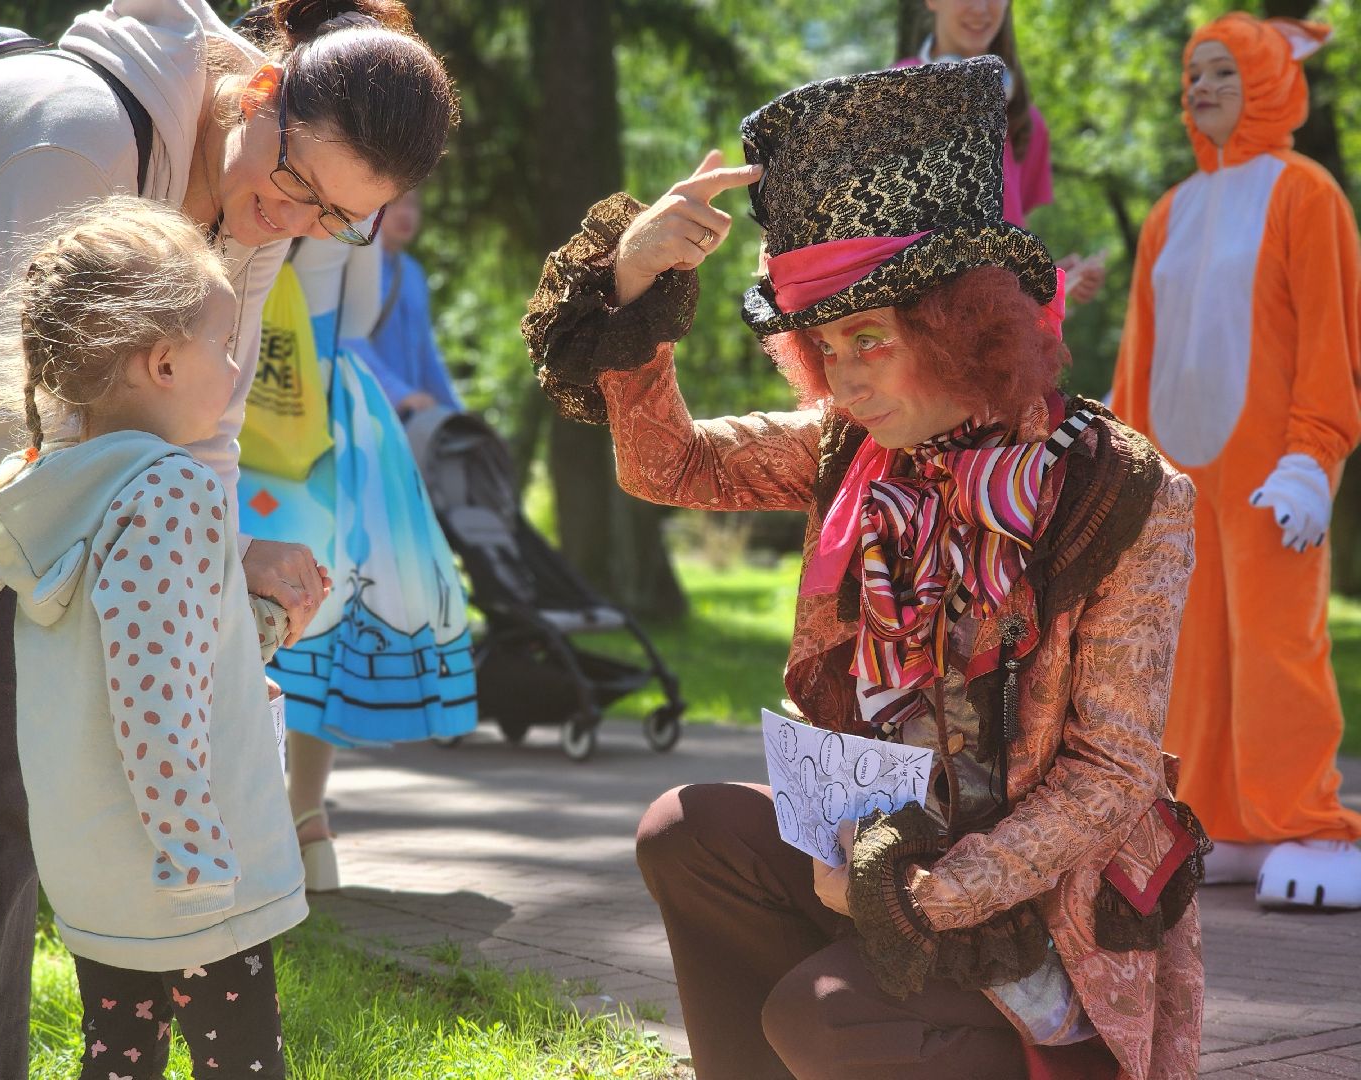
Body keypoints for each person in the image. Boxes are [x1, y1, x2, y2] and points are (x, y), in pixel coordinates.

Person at [523, 59, 1205, 1079]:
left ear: (961, 322)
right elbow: (671, 464)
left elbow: (1109, 778)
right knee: (686, 832)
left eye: (868, 339)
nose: (842, 378)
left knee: (824, 1019)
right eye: (824, 348)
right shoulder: (854, 448)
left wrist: (920, 893)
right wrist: (635, 282)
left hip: (1030, 912)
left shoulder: (1122, 491)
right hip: (877, 852)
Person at [0, 0, 455, 1067]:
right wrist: (179, 545)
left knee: (3, 813)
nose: (299, 219)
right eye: (300, 184)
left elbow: (204, 428)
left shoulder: (260, 202)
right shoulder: (78, 133)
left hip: (9, 494)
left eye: (340, 217)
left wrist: (213, 577)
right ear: (262, 92)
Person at [0, 197, 304, 1080]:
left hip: (99, 863)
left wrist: (252, 634)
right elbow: (152, 697)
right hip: (186, 871)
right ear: (164, 361)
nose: (236, 367)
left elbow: (137, 652)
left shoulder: (67, 489)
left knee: (120, 1061)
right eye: (226, 344)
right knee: (242, 1065)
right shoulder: (170, 491)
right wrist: (197, 852)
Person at [1110, 12, 1361, 907]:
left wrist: (1312, 458)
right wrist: (1122, 466)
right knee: (1188, 656)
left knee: (1275, 646)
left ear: (1267, 80)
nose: (1203, 87)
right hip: (1179, 481)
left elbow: (1331, 337)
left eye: (1223, 70)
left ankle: (1312, 826)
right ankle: (1215, 819)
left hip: (1268, 473)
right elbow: (1139, 357)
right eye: (1194, 74)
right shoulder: (1169, 212)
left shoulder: (1307, 193)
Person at [237, 230, 478, 891]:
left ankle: (234, 816)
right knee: (317, 613)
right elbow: (360, 317)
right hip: (316, 435)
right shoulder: (353, 202)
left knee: (220, 619)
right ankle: (307, 819)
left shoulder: (244, 186)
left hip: (224, 425)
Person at [895, 0, 1105, 304]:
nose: (981, 8)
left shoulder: (1028, 122)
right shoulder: (891, 94)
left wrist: (1047, 280)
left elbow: (1010, 241)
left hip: (998, 320)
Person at [360, 187, 465, 415]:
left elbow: (427, 354)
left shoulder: (413, 273)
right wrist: (399, 394)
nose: (405, 213)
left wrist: (458, 415)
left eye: (412, 204)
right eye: (394, 203)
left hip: (410, 420)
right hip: (364, 414)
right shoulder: (354, 267)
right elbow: (345, 340)